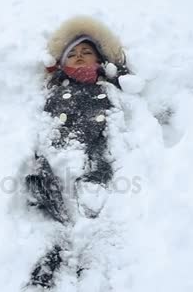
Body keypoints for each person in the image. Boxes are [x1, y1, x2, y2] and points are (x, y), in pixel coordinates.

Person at [25, 15, 130, 288]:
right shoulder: (52, 90)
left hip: (95, 171)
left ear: (99, 61)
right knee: (51, 237)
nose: (80, 57)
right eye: (72, 54)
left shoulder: (110, 88)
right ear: (62, 63)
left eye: (87, 52)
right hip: (56, 174)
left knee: (95, 241)